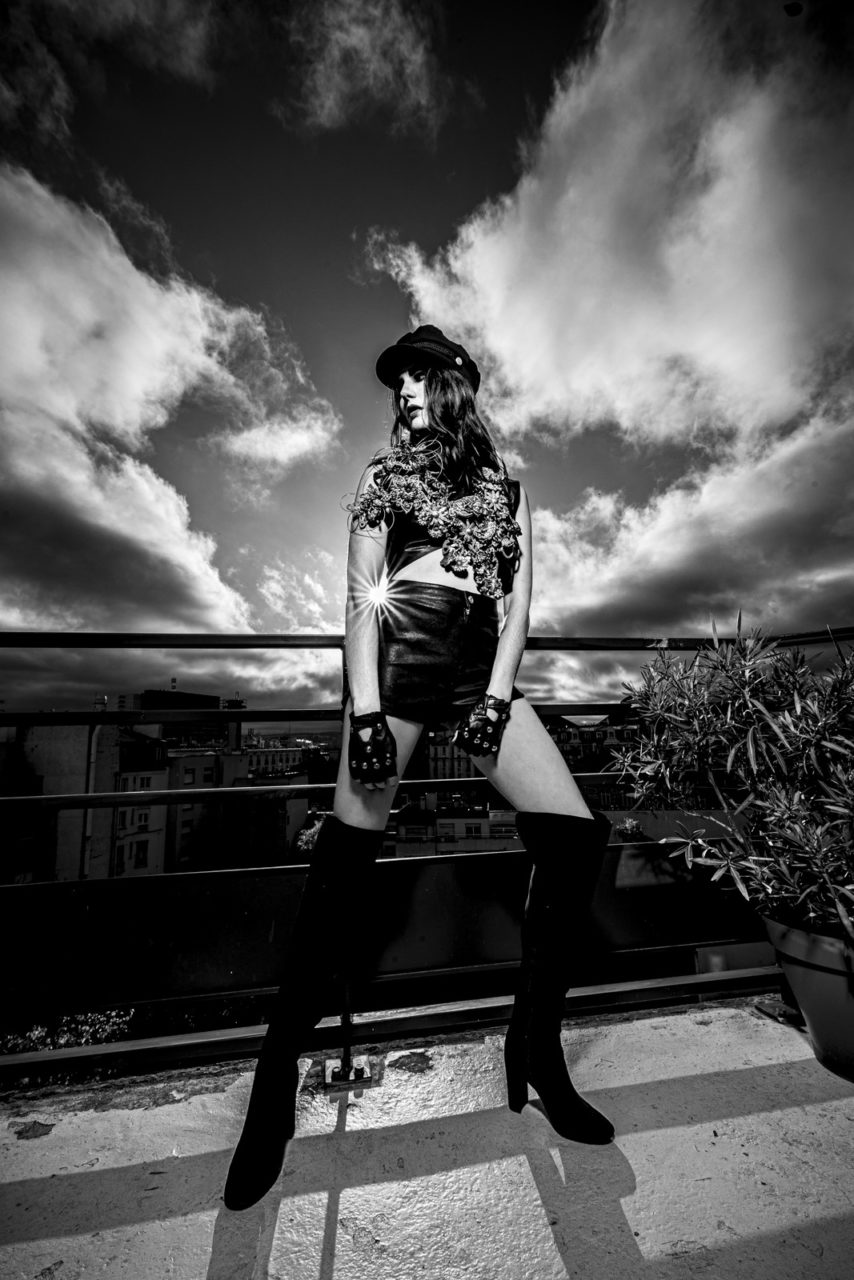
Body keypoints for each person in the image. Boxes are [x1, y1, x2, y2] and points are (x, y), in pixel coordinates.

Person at [223, 324, 614, 1212]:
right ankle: (273, 1086)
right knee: (341, 868)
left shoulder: (509, 487)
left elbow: (518, 604)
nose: (400, 391)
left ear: (454, 384)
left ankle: (536, 1049)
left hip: (478, 669)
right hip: (401, 656)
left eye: (415, 376)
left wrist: (497, 697)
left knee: (575, 839)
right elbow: (360, 598)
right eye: (394, 380)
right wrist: (365, 710)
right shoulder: (382, 477)